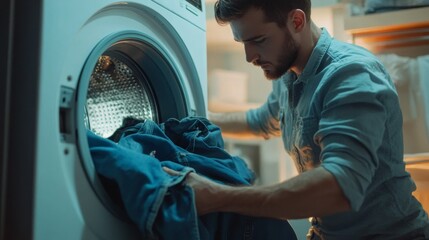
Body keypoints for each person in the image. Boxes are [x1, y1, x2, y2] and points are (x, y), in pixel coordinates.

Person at [165, 0, 429, 239]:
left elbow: (338, 186)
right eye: (243, 43)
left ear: (297, 21)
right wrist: (191, 117)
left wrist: (217, 197)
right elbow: (262, 121)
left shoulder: (350, 75)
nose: (249, 57)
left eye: (258, 40)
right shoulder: (287, 74)